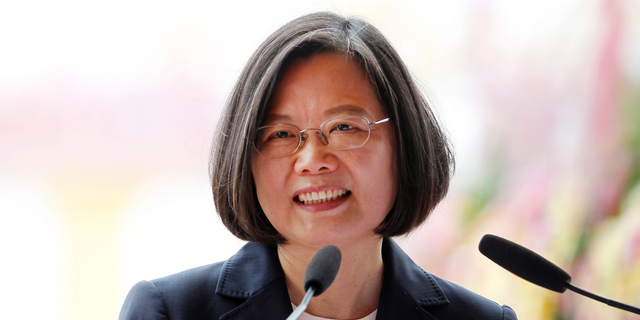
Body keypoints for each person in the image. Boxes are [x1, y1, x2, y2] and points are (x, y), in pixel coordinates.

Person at [120, 12, 517, 320]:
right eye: (280, 135)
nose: (312, 161)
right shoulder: (170, 311)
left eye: (344, 128)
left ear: (404, 145)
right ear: (247, 161)